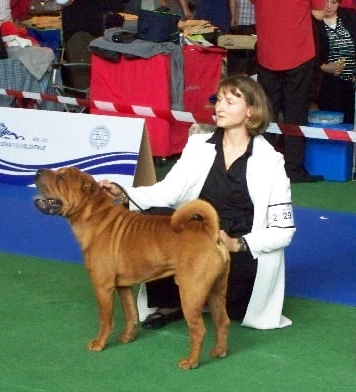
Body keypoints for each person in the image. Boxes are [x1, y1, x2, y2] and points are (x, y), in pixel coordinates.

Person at [100, 75, 296, 330]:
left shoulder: (271, 161)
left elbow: (283, 232)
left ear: (251, 110)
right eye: (219, 100)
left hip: (238, 246)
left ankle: (220, 297)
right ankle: (170, 302)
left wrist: (236, 244)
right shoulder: (197, 146)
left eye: (230, 101)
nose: (220, 107)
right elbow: (167, 192)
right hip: (197, 236)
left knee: (233, 308)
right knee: (155, 217)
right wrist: (124, 193)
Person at [251, 0, 326, 183]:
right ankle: (293, 168)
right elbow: (319, 14)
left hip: (267, 51)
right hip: (298, 50)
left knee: (266, 113)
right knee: (296, 112)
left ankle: (261, 166)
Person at [313, 0, 356, 124]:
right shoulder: (313, 22)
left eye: (334, 2)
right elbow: (309, 53)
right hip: (326, 83)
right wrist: (324, 67)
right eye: (325, 2)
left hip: (351, 82)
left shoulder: (350, 17)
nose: (329, 6)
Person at [227, 0, 256, 75]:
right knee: (241, 55)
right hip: (241, 23)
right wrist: (233, 16)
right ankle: (241, 78)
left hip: (257, 24)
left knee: (253, 56)